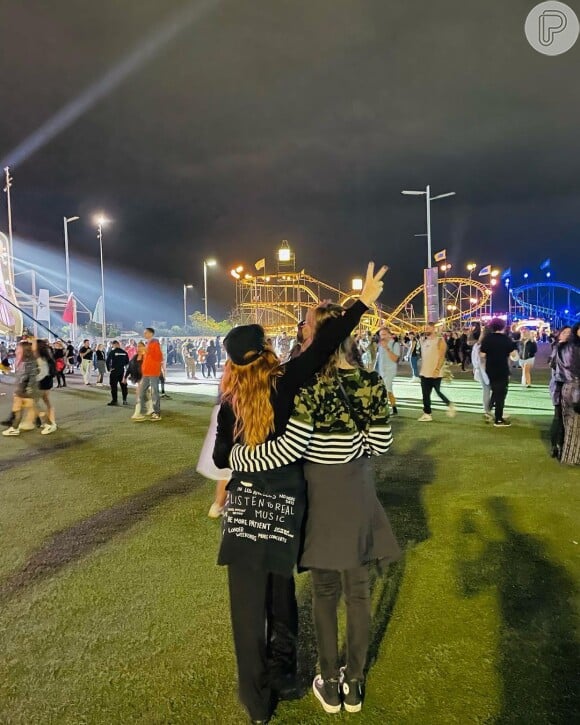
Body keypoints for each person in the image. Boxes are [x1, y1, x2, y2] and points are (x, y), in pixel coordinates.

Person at [212, 263, 387, 724]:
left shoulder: (229, 402)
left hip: (246, 514)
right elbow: (328, 342)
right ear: (266, 351)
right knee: (281, 594)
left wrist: (243, 462)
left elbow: (220, 458)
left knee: (247, 608)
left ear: (232, 362)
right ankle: (285, 676)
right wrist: (362, 301)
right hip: (285, 509)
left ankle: (256, 702)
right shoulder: (285, 380)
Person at [480, 318, 518, 428]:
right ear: (503, 327)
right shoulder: (506, 339)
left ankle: (489, 410)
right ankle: (498, 419)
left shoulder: (487, 339)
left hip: (490, 368)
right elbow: (514, 355)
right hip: (502, 368)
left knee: (496, 391)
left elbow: (482, 355)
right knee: (501, 394)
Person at [418, 323, 456, 422]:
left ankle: (449, 404)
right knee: (425, 394)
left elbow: (442, 357)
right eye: (425, 327)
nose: (426, 329)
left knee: (437, 391)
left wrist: (437, 369)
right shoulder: (423, 340)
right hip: (424, 372)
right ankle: (427, 413)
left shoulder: (440, 340)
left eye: (428, 328)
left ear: (434, 329)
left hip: (435, 372)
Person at [2, 341, 39, 436]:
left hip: (25, 390)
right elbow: (19, 377)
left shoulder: (30, 362)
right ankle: (15, 427)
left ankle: (48, 422)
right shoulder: (23, 361)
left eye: (18, 349)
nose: (16, 350)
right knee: (18, 409)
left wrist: (28, 389)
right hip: (21, 389)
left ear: (25, 350)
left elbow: (32, 376)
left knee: (32, 409)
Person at [556, 322, 580, 465]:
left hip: (566, 386)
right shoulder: (576, 348)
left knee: (569, 423)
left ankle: (569, 455)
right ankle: (573, 457)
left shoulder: (563, 347)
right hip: (576, 387)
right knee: (575, 424)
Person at [549, 327, 572, 459]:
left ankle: (564, 445)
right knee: (558, 417)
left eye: (570, 333)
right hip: (560, 386)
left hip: (569, 386)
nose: (567, 335)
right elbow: (553, 366)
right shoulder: (558, 349)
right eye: (564, 333)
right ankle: (555, 445)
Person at [134, 327, 163, 421]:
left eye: (146, 333)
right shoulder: (148, 343)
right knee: (141, 391)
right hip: (146, 372)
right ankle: (143, 411)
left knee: (154, 392)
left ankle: (157, 413)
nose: (144, 334)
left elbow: (159, 357)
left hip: (153, 371)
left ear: (151, 333)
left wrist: (147, 351)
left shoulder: (155, 343)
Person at [34, 339, 58, 434]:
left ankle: (48, 422)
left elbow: (42, 373)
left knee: (32, 402)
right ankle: (49, 422)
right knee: (46, 401)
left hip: (42, 382)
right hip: (47, 381)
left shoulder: (40, 358)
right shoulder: (46, 356)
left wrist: (33, 380)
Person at [376, 328, 400, 415]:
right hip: (381, 371)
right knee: (389, 390)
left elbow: (395, 358)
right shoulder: (380, 345)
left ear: (390, 334)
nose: (382, 337)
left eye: (384, 334)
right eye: (381, 335)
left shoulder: (395, 344)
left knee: (385, 390)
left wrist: (387, 348)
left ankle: (383, 409)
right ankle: (394, 408)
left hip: (390, 371)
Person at [471, 329, 492, 422]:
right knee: (493, 390)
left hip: (480, 370)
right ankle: (489, 410)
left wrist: (475, 367)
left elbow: (474, 358)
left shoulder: (477, 345)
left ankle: (487, 410)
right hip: (487, 370)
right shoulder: (485, 346)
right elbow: (482, 359)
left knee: (486, 391)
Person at [106, 340, 130, 406]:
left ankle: (115, 400)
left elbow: (107, 361)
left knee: (114, 386)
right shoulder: (124, 352)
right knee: (124, 386)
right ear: (119, 344)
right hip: (122, 371)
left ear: (114, 345)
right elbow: (127, 362)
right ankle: (124, 400)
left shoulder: (112, 352)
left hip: (114, 371)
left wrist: (109, 369)